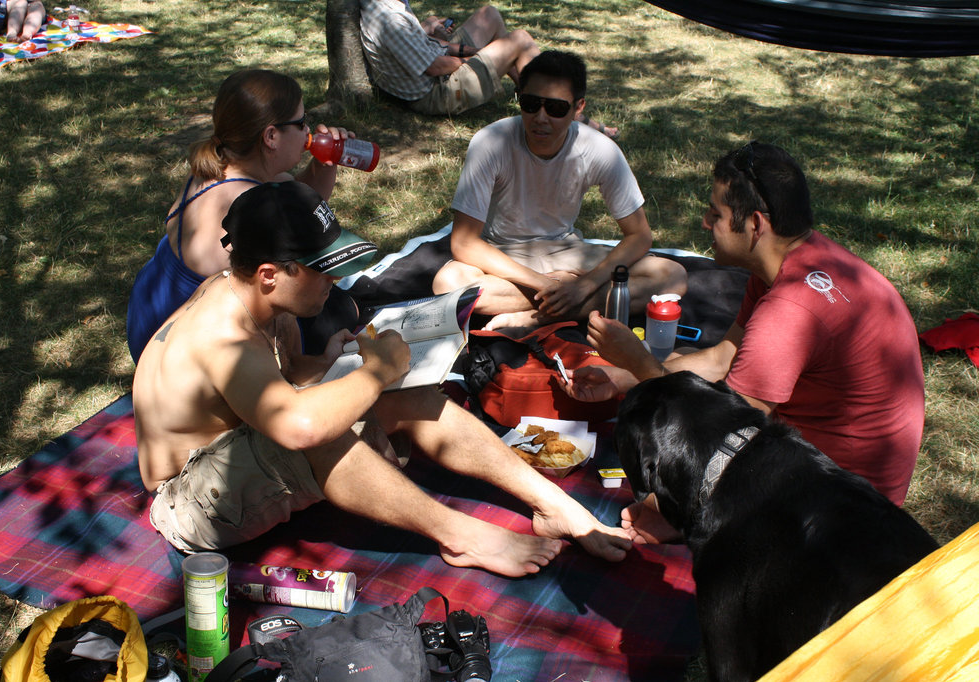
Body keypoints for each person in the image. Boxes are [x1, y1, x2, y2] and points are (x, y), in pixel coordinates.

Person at [134, 180, 631, 577]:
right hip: (190, 500)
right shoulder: (222, 334)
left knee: (405, 394)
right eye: (322, 270)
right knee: (321, 430)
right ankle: (463, 535)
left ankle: (552, 503)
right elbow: (297, 427)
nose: (333, 282)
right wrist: (375, 372)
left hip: (241, 453)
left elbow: (274, 379)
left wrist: (335, 365)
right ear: (269, 273)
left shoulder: (258, 295)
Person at [562, 142, 925, 544]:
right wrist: (622, 375)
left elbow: (722, 432)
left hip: (836, 518)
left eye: (716, 214)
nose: (704, 222)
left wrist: (641, 367)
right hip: (850, 485)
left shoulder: (788, 311)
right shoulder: (796, 258)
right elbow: (721, 359)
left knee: (656, 437)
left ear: (754, 225)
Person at [432, 50, 687, 330]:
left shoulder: (600, 150)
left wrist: (586, 284)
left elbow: (639, 235)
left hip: (568, 251)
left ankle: (537, 316)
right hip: (504, 257)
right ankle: (566, 305)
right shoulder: (491, 142)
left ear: (578, 108)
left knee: (672, 275)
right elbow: (465, 243)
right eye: (530, 104)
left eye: (555, 108)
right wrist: (551, 285)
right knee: (448, 284)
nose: (541, 118)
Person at [126, 69, 359, 363]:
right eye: (300, 123)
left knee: (336, 303)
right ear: (271, 136)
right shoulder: (249, 205)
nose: (308, 132)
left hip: (150, 317)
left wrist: (323, 164)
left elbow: (301, 200)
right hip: (180, 350)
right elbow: (280, 310)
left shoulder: (218, 165)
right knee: (338, 308)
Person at [359, 0, 540, 116]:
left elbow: (423, 45)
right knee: (520, 39)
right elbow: (434, 67)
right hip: (435, 91)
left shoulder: (387, 4)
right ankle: (549, 102)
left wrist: (472, 50)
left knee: (489, 14)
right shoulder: (391, 19)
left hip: (434, 65)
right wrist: (479, 56)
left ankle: (526, 90)